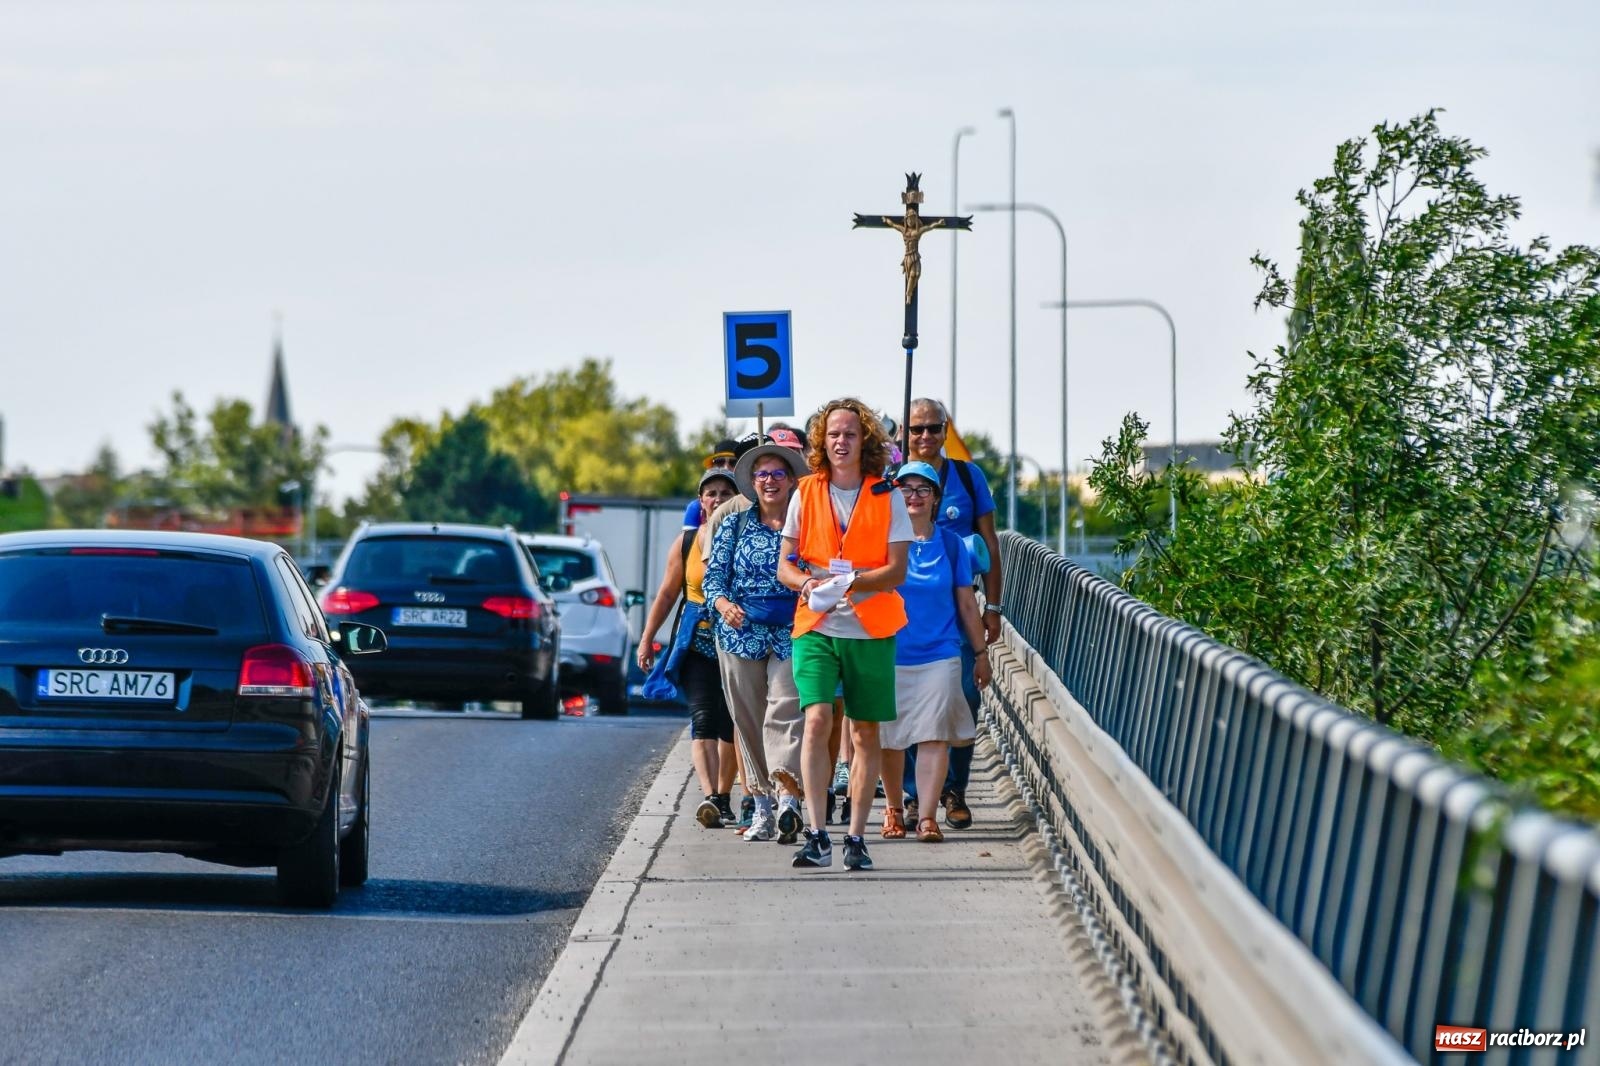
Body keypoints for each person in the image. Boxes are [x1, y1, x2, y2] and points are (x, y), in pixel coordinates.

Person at [777, 399, 911, 871]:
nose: (840, 442)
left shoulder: (886, 495)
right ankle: (817, 833)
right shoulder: (806, 491)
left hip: (870, 627)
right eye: (833, 434)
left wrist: (853, 582)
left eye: (850, 434)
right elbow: (786, 565)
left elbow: (896, 571)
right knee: (816, 720)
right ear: (821, 441)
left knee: (865, 730)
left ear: (865, 441)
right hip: (815, 623)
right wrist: (809, 584)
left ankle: (856, 836)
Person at [900, 397, 1003, 830]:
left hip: (958, 605)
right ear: (904, 434)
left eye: (933, 428)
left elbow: (990, 542)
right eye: (917, 429)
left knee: (964, 694)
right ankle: (912, 795)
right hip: (905, 609)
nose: (925, 437)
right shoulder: (893, 480)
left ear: (946, 430)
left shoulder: (966, 475)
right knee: (903, 703)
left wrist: (993, 606)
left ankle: (954, 788)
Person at [877, 461, 992, 842]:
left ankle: (927, 817)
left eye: (922, 489)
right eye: (906, 489)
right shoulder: (882, 542)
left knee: (934, 735)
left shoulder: (951, 545)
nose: (914, 496)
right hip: (890, 651)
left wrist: (980, 653)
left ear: (936, 499)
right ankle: (894, 809)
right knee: (891, 740)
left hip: (941, 653)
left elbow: (966, 604)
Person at [703, 441, 808, 843]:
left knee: (785, 711)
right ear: (752, 482)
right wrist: (724, 604)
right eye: (762, 474)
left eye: (778, 474)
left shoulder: (805, 524)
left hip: (791, 630)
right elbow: (713, 579)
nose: (769, 481)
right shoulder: (734, 523)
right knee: (748, 719)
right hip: (740, 630)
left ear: (791, 481)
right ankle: (761, 805)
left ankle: (787, 799)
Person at [638, 468, 739, 827]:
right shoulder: (686, 543)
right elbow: (667, 593)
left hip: (737, 642)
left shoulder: (747, 538)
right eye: (711, 493)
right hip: (696, 642)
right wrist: (648, 637)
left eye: (725, 492)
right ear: (701, 502)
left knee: (732, 724)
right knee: (702, 719)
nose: (717, 499)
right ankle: (710, 795)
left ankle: (725, 794)